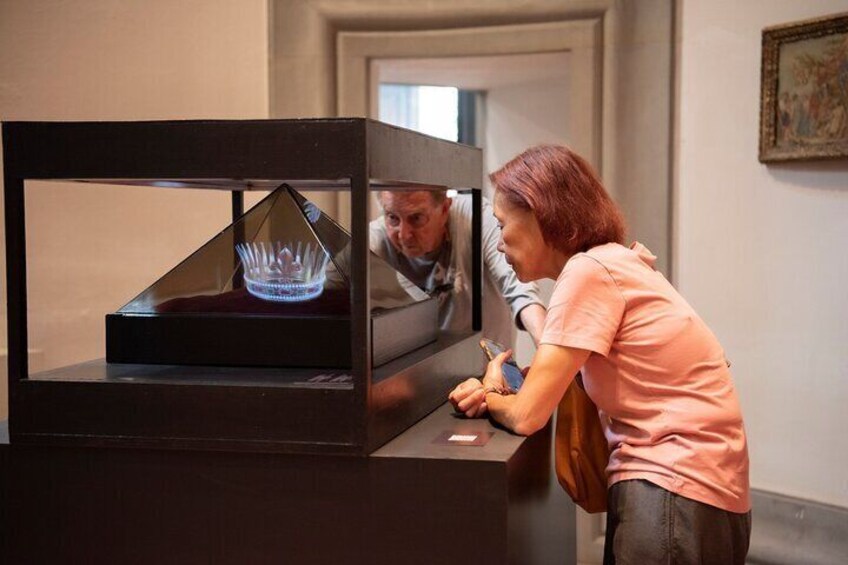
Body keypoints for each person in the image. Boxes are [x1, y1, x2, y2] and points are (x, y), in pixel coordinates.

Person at [448, 145, 751, 564]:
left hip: (671, 488)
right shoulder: (614, 263)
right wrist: (511, 387)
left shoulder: (587, 273)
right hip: (700, 489)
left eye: (502, 225)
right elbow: (567, 377)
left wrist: (491, 396)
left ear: (540, 214)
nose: (499, 244)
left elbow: (527, 415)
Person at [371, 190, 546, 347]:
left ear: (445, 209)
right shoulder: (375, 239)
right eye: (392, 217)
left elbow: (520, 290)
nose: (404, 235)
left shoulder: (474, 215)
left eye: (416, 218)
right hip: (423, 369)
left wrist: (547, 347)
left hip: (489, 367)